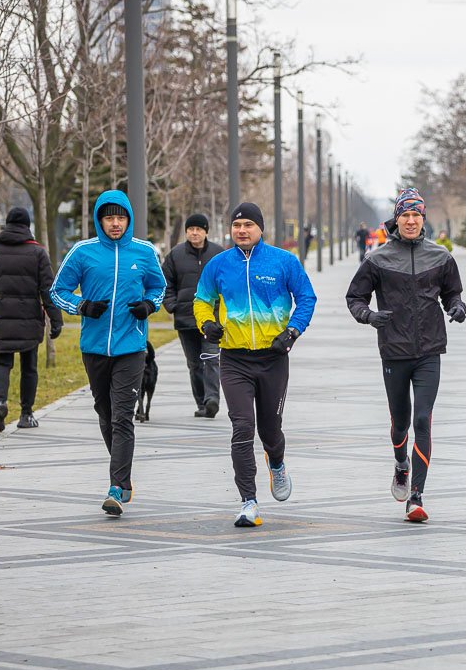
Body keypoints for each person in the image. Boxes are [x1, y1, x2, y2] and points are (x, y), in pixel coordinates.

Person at [345, 188, 466, 523]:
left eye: (416, 215)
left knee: (422, 419)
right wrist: (370, 316)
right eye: (405, 215)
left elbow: (452, 293)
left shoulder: (440, 257)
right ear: (396, 220)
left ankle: (416, 496)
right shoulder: (378, 259)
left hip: (430, 351)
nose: (411, 221)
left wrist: (456, 307)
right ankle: (401, 463)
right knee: (400, 424)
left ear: (423, 219)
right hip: (394, 352)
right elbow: (355, 297)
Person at [194, 202, 316, 528]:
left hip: (273, 358)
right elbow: (202, 299)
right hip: (234, 358)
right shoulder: (219, 264)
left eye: (249, 224)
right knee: (242, 427)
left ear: (261, 228)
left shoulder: (283, 261)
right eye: (237, 225)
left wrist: (292, 331)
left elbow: (306, 297)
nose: (242, 230)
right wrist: (206, 324)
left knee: (270, 430)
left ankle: (276, 464)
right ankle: (248, 501)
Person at [51, 190, 167, 517]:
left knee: (122, 416)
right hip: (94, 347)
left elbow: (159, 289)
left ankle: (116, 487)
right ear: (100, 220)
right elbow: (57, 292)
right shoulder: (83, 252)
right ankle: (125, 476)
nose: (115, 223)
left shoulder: (143, 252)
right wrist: (82, 306)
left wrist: (148, 305)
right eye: (109, 217)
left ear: (129, 219)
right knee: (104, 412)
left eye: (121, 218)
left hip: (132, 346)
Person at [0, 207, 63, 432]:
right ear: (27, 226)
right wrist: (56, 320)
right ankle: (26, 414)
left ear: (7, 225)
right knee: (29, 367)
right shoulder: (38, 253)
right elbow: (48, 290)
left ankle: (1, 401)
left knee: (1, 362)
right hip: (29, 321)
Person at [162, 213, 224, 418]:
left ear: (206, 231)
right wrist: (172, 306)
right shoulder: (175, 255)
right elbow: (165, 283)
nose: (194, 233)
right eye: (190, 229)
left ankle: (212, 399)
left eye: (198, 229)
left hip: (211, 320)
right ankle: (202, 402)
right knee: (195, 364)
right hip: (186, 319)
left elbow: (229, 282)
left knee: (212, 358)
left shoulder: (218, 254)